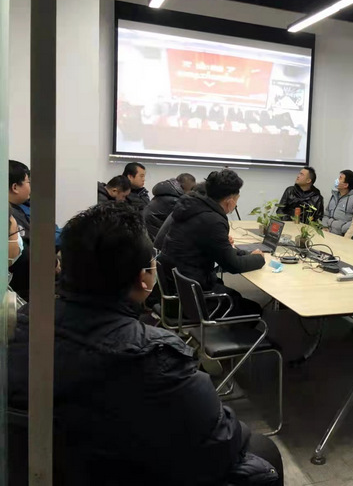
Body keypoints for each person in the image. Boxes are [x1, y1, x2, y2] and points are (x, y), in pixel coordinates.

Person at [7, 203, 284, 485]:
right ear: (144, 279)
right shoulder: (158, 358)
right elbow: (221, 443)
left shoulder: (21, 323)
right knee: (263, 450)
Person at [160, 169, 265, 320]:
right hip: (193, 299)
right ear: (230, 201)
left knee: (235, 295)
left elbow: (220, 250)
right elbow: (233, 265)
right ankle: (224, 332)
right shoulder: (213, 221)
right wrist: (259, 258)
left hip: (178, 290)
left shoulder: (192, 207)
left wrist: (246, 254)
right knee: (254, 309)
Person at [143, 174, 197, 240]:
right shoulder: (174, 201)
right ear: (183, 187)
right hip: (154, 237)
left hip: (147, 233)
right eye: (191, 189)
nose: (193, 192)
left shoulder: (166, 194)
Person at [8, 160, 32, 301]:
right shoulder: (10, 215)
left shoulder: (18, 209)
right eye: (28, 182)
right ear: (15, 187)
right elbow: (27, 254)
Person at [321, 170, 353, 236]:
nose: (337, 180)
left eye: (340, 178)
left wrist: (342, 229)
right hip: (327, 232)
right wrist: (324, 226)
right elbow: (326, 214)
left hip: (341, 235)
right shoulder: (334, 196)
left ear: (346, 185)